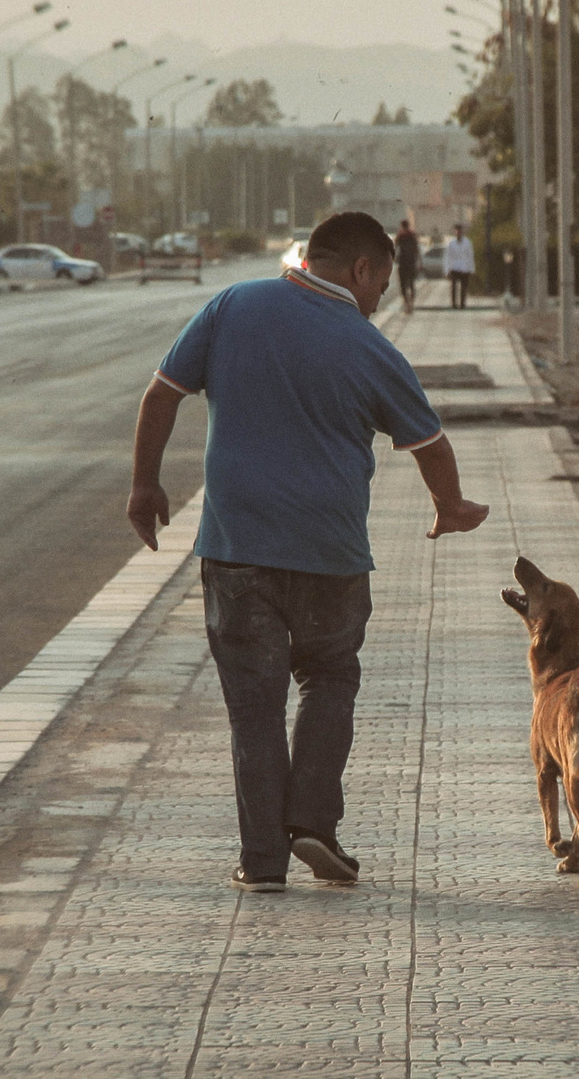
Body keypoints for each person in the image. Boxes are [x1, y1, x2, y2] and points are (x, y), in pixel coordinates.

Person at [128, 211, 491, 894]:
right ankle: (315, 824)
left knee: (255, 705)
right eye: (382, 283)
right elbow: (430, 445)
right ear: (360, 269)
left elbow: (161, 395)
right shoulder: (368, 344)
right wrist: (451, 507)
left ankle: (262, 861)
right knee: (329, 677)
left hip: (237, 549)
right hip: (332, 553)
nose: (381, 298)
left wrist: (146, 485)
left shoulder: (233, 304)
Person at [442, 224, 475, 309]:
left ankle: (462, 304)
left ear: (462, 232)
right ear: (455, 232)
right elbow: (447, 257)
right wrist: (447, 270)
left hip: (464, 268)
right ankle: (454, 304)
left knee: (464, 287)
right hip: (454, 268)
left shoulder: (467, 243)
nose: (458, 233)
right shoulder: (451, 243)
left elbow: (470, 256)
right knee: (453, 287)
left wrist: (472, 269)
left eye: (460, 231)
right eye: (457, 231)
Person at [393, 219, 421, 314]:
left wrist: (394, 259)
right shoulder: (412, 236)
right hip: (411, 263)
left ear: (402, 226)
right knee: (411, 284)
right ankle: (410, 304)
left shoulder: (399, 236)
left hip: (403, 263)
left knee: (403, 285)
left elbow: (395, 249)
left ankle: (406, 304)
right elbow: (417, 250)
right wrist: (419, 262)